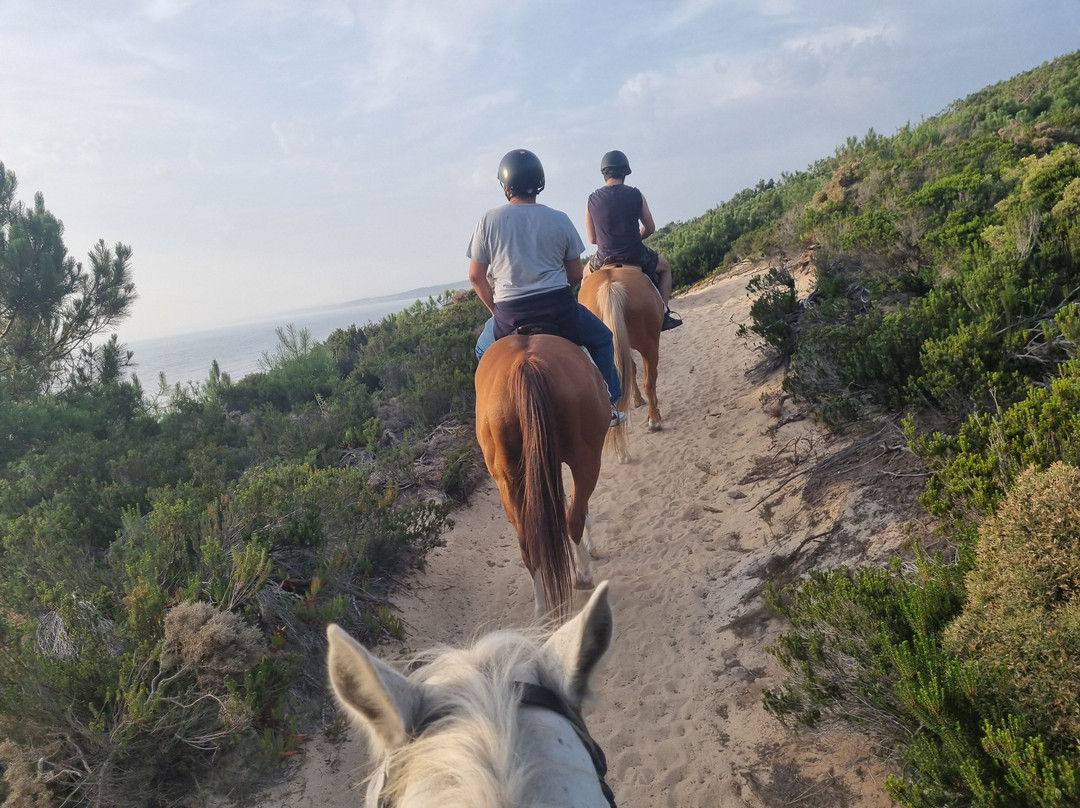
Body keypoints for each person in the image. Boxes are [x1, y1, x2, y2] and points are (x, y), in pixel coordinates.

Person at [469, 148, 626, 427]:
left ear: (506, 187)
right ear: (540, 183)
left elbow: (475, 277)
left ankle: (485, 416)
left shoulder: (487, 221)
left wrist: (495, 310)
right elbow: (576, 274)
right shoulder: (559, 218)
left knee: (483, 350)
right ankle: (611, 403)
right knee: (602, 339)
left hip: (509, 317)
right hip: (559, 312)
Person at [584, 150, 683, 330]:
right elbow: (651, 228)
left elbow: (592, 239)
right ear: (624, 172)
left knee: (584, 275)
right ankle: (664, 312)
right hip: (634, 254)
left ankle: (587, 324)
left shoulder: (591, 199)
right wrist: (635, 236)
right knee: (665, 268)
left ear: (604, 173)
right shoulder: (636, 194)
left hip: (604, 257)